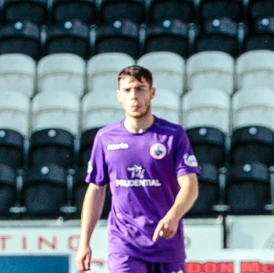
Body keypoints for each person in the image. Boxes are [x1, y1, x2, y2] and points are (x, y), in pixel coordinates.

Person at [78, 66, 200, 273]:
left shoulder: (172, 135)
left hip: (167, 244)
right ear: (119, 96)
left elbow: (190, 185)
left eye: (140, 89)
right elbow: (96, 189)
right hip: (125, 245)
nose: (134, 96)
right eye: (127, 90)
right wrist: (83, 243)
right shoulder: (106, 138)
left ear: (152, 93)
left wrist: (173, 215)